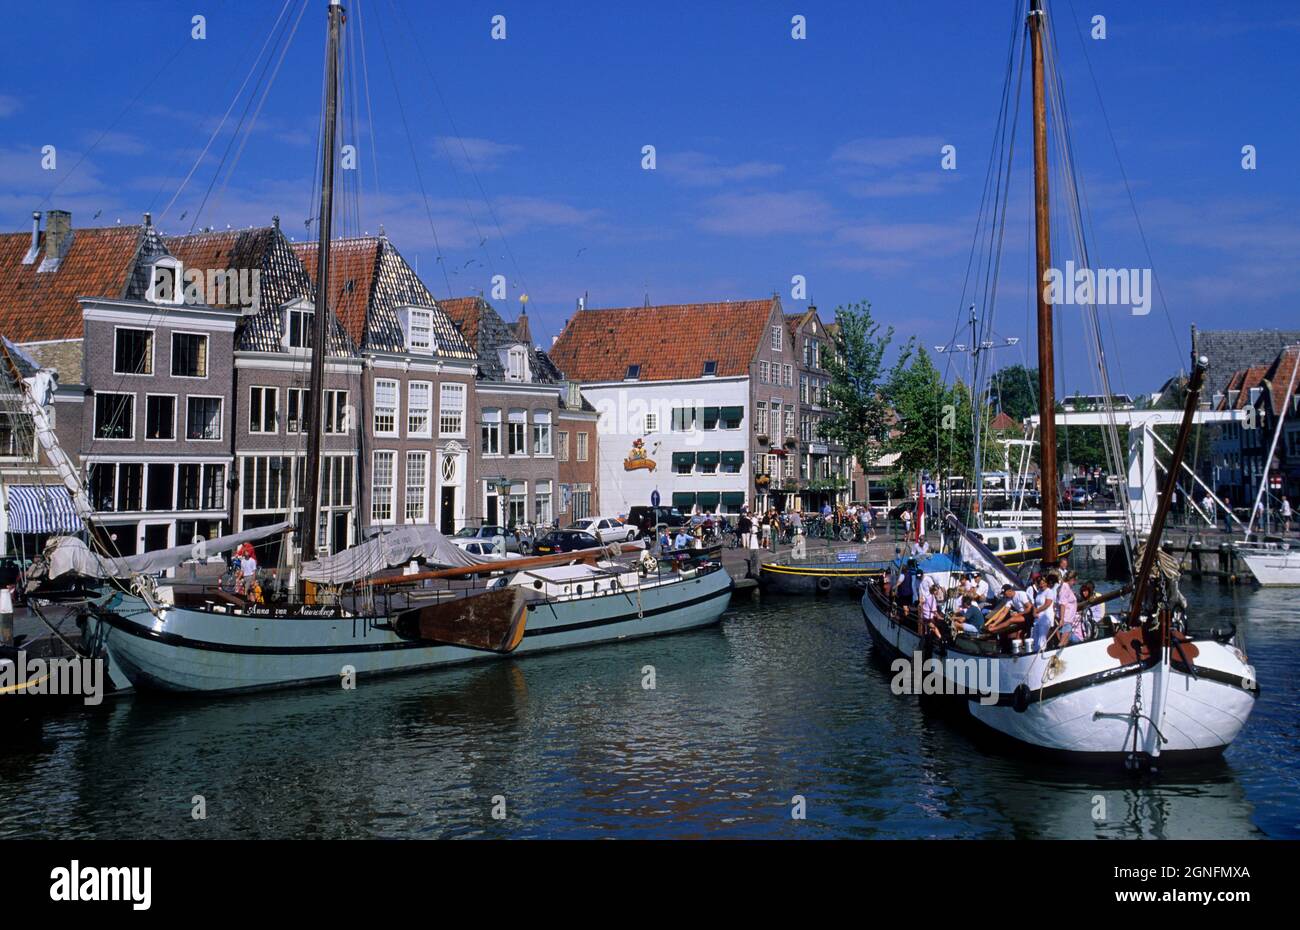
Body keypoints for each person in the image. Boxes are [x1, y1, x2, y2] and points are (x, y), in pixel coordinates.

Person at [1030, 573, 1058, 651]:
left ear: (1046, 583)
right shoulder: (1039, 592)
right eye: (1040, 583)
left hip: (1045, 617)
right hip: (1037, 618)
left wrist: (1037, 611)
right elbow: (1035, 604)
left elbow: (1047, 604)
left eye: (1043, 583)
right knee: (1035, 636)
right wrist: (1034, 612)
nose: (1041, 585)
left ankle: (1042, 650)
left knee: (1042, 636)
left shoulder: (1049, 592)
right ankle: (1035, 651)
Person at [1055, 570, 1080, 645]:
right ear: (1073, 579)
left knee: (1065, 640)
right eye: (1075, 580)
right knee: (1063, 642)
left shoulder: (1068, 587)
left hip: (1069, 619)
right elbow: (1062, 604)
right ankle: (1056, 656)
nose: (1075, 583)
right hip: (1066, 619)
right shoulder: (1065, 587)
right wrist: (1062, 619)